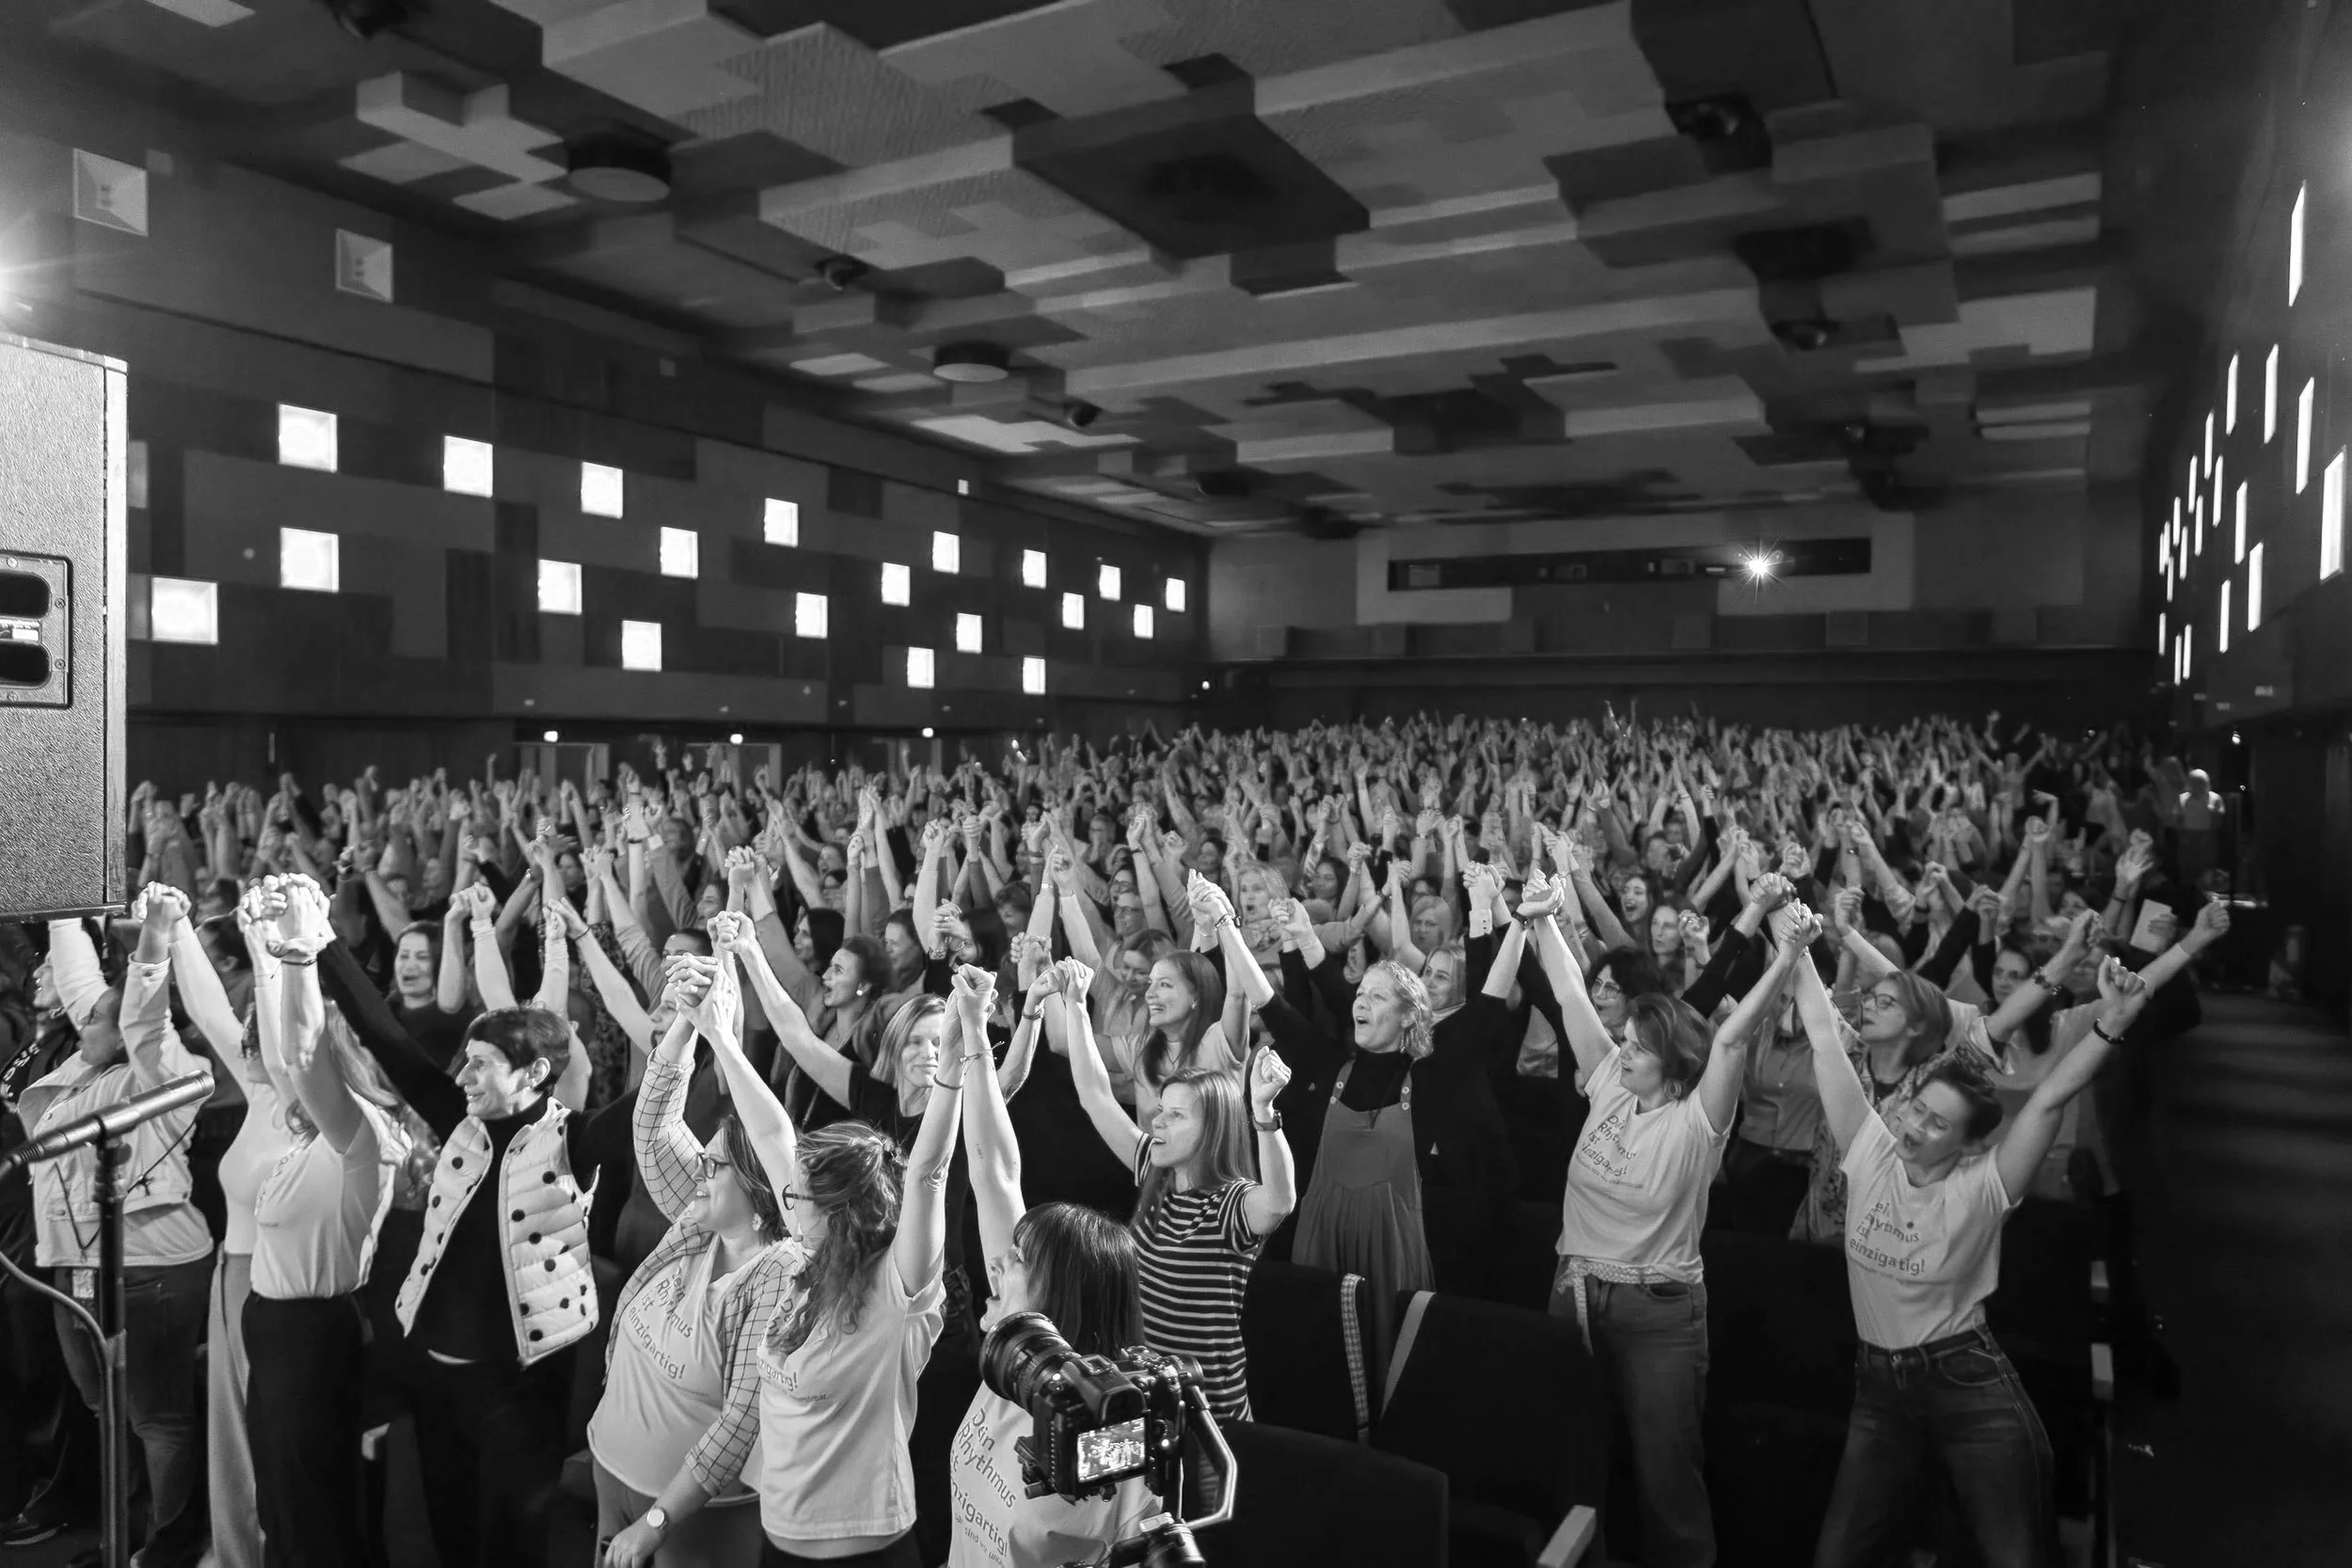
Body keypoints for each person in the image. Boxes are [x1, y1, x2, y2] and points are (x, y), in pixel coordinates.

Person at [1796, 929, 2152, 1567]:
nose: (1913, 1127)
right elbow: (1825, 1039)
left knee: (2013, 1555)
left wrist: (2110, 1025)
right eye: (1914, 1112)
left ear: (1966, 1145)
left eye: (1936, 1123)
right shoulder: (1872, 1150)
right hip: (1879, 1386)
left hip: (1966, 1384)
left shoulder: (1984, 1185)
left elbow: (2047, 1100)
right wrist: (1791, 939)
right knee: (1838, 1554)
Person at [1520, 873, 1795, 1568]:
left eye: (1640, 1043)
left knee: (1665, 1474)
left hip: (1658, 1308)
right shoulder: (1612, 1078)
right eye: (1627, 1039)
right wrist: (1546, 918)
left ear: (1672, 1062)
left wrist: (1787, 955)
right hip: (1575, 1290)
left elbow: (1731, 1043)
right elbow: (1571, 996)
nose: (1624, 1047)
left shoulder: (1697, 1122)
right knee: (1572, 1457)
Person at [679, 947, 965, 1568]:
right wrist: (718, 1033)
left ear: (838, 1209)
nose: (784, 1201)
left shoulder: (895, 1289)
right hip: (778, 1547)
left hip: (867, 1554)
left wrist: (953, 1071)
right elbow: (772, 1131)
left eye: (797, 1194)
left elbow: (928, 1176)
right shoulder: (805, 1256)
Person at [22, 897, 215, 1568]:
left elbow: (138, 1012)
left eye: (96, 1017)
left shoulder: (163, 1068)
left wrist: (154, 938)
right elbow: (82, 983)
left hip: (150, 1268)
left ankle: (170, 1546)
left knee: (157, 1420)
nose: (82, 1023)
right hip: (74, 1265)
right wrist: (62, 900)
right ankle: (121, 1536)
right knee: (106, 1410)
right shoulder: (87, 1067)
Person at [947, 958, 1156, 1568]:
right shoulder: (1014, 1357)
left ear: (1059, 1295)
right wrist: (973, 1031)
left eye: (1016, 1261)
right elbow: (993, 1172)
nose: (997, 1265)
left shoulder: (1109, 1439)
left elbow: (1117, 1538)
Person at [589, 976, 799, 1568]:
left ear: (760, 1194)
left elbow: (739, 1422)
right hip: (613, 1476)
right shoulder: (702, 1221)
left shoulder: (777, 1275)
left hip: (694, 1522)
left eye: (717, 1164)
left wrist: (657, 1524)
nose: (701, 1166)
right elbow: (653, 1128)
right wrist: (685, 1022)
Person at [240, 877, 410, 1568]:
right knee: (283, 1501)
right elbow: (287, 1056)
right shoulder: (314, 1130)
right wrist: (264, 943)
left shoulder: (363, 1133)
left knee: (315, 1511)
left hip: (313, 1338)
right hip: (278, 1332)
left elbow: (301, 1056)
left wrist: (302, 952)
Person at [1061, 937, 1294, 1421]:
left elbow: (1279, 1202)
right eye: (1160, 1111)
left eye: (1176, 1116)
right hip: (1145, 1399)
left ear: (1213, 1127)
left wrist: (1265, 1116)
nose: (1158, 1123)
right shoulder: (1155, 1172)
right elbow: (1095, 1096)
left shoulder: (1230, 1204)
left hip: (1210, 1416)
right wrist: (1075, 1005)